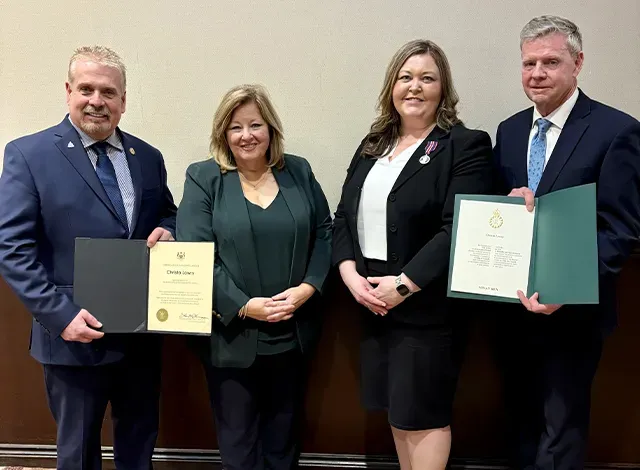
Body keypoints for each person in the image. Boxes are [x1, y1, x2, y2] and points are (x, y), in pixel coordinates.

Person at [0, 46, 177, 470]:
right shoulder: (29, 154)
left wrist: (172, 230)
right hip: (72, 335)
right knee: (77, 454)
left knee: (139, 445)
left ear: (123, 100)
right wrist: (61, 316)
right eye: (87, 89)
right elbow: (12, 248)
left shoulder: (147, 157)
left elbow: (168, 213)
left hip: (140, 333)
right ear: (68, 92)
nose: (97, 100)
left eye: (108, 92)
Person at [332, 39, 494, 470]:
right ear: (391, 86)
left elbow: (459, 226)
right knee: (398, 414)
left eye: (427, 78)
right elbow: (343, 215)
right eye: (406, 77)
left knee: (423, 416)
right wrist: (349, 275)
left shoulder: (464, 145)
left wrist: (403, 286)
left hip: (425, 307)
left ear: (443, 88)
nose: (415, 87)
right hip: (372, 302)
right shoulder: (373, 146)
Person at [492, 15, 640, 470]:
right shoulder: (510, 130)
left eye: (550, 62)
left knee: (561, 432)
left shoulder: (617, 130)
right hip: (514, 310)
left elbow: (621, 230)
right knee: (518, 425)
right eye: (528, 63)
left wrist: (565, 288)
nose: (536, 73)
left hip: (573, 315)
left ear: (577, 63)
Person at [176, 84, 332, 470]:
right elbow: (195, 255)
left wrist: (307, 289)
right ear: (223, 134)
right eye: (235, 127)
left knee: (283, 444)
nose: (246, 135)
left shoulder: (298, 170)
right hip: (231, 339)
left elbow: (325, 231)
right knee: (239, 447)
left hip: (292, 334)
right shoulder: (203, 178)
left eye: (255, 124)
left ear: (271, 129)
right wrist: (245, 306)